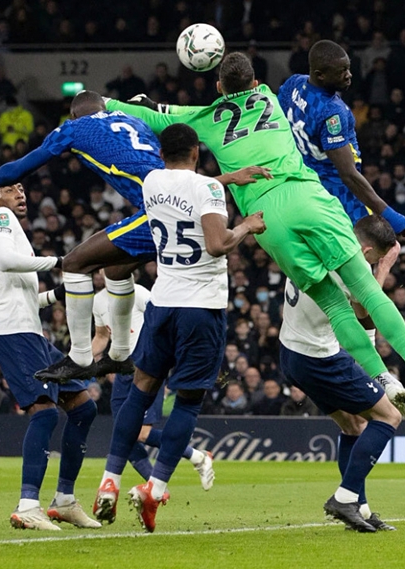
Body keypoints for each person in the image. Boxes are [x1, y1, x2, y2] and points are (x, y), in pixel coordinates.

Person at [108, 53, 405, 420]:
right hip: (307, 196)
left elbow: (159, 115)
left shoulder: (205, 119)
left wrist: (108, 103)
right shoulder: (270, 95)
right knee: (365, 289)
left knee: (335, 307)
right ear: (255, 84)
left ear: (219, 87)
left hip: (266, 217)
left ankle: (386, 381)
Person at [0, 90, 267, 384]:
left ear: (73, 115)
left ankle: (81, 357)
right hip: (175, 207)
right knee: (115, 270)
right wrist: (225, 178)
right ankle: (121, 354)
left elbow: (19, 169)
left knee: (76, 262)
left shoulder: (73, 128)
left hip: (156, 213)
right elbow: (174, 176)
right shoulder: (132, 119)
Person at [93, 124, 266, 533]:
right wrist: (248, 226)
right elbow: (217, 243)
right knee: (187, 402)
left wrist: (226, 180)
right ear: (195, 152)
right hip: (200, 310)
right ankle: (154, 489)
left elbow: (187, 189)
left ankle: (110, 481)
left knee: (140, 391)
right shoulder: (208, 190)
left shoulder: (152, 181)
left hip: (162, 302)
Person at [280, 214, 405, 533]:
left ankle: (359, 509)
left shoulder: (316, 241)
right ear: (364, 251)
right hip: (320, 356)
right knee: (389, 417)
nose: (372, 264)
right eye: (373, 259)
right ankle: (344, 498)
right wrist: (385, 268)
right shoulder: (348, 260)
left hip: (290, 351)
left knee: (354, 425)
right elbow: (366, 307)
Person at [0, 183, 101, 531]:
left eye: (21, 187)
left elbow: (25, 296)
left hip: (28, 330)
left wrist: (59, 293)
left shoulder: (14, 230)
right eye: (9, 188)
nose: (19, 193)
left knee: (83, 407)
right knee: (44, 415)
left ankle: (63, 500)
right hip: (12, 332)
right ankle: (28, 504)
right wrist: (62, 262)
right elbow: (5, 261)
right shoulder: (0, 218)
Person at [88, 277, 214, 491]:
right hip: (121, 373)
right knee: (124, 432)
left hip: (146, 370)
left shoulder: (138, 293)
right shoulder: (98, 301)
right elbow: (101, 336)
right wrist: (80, 360)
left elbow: (160, 323)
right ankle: (157, 489)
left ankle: (197, 456)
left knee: (140, 433)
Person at [277, 40, 405, 236]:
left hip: (305, 186)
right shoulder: (332, 112)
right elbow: (348, 175)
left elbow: (278, 120)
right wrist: (390, 215)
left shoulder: (294, 83)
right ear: (320, 75)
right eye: (342, 71)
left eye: (348, 68)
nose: (349, 75)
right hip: (341, 195)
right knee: (379, 251)